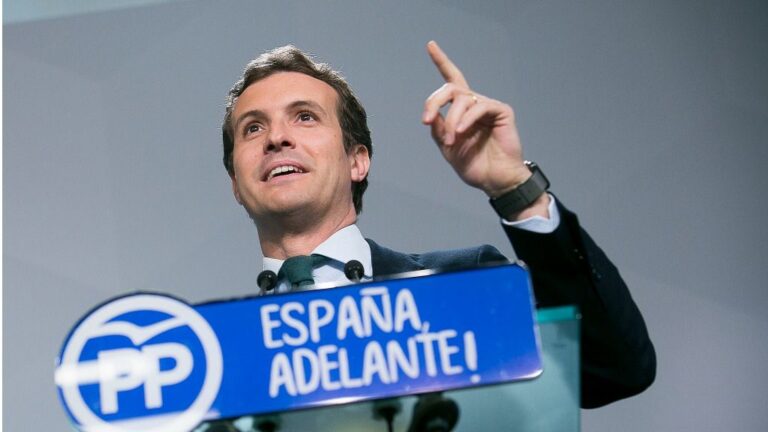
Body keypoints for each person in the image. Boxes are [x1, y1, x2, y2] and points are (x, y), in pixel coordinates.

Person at [221, 41, 655, 408]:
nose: (276, 138)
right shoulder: (212, 358)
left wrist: (517, 190)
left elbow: (613, 367)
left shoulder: (464, 288)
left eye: (305, 116)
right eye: (253, 127)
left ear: (357, 160)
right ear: (236, 185)